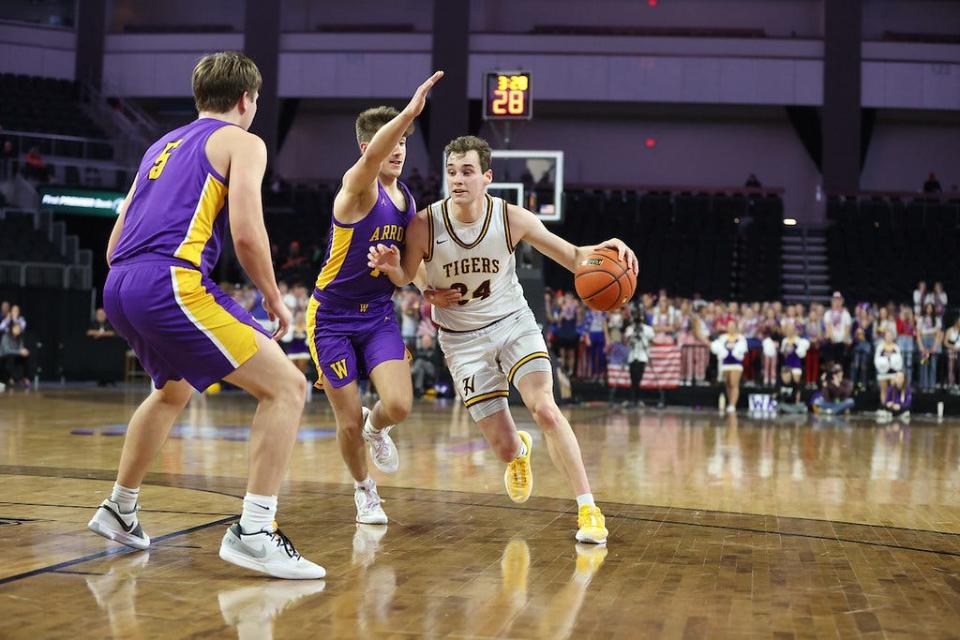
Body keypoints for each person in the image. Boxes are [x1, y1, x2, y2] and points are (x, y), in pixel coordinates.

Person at [86, 52, 324, 580]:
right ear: (246, 99)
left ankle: (120, 510)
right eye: (256, 100)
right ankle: (256, 531)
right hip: (170, 280)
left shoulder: (158, 146)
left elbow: (112, 244)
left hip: (120, 284)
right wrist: (273, 296)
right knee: (288, 387)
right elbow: (245, 231)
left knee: (171, 390)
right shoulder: (244, 141)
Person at [368, 135, 639, 544]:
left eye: (468, 172)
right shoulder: (424, 223)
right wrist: (417, 285)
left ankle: (588, 509)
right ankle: (519, 452)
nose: (458, 180)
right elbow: (408, 274)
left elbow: (572, 255)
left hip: (513, 324)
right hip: (461, 341)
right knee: (505, 449)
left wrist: (606, 249)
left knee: (545, 407)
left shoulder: (511, 218)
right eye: (452, 172)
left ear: (487, 177)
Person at [305, 71, 444, 526]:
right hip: (331, 317)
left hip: (378, 316)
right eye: (393, 141)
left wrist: (429, 292)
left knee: (400, 406)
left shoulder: (405, 200)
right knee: (345, 421)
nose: (400, 149)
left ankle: (376, 425)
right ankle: (364, 491)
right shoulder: (356, 189)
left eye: (407, 141)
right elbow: (373, 159)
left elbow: (411, 266)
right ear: (368, 149)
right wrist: (409, 111)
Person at [710, 319, 747, 413]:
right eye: (729, 326)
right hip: (725, 364)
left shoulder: (741, 338)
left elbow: (743, 350)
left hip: (736, 364)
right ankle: (730, 401)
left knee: (734, 384)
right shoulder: (723, 337)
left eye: (733, 326)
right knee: (728, 384)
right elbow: (717, 348)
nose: (731, 328)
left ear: (736, 327)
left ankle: (733, 404)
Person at [625, 317, 655, 406]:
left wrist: (646, 344)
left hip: (642, 355)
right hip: (632, 355)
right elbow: (627, 341)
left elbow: (652, 341)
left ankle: (637, 399)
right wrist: (632, 337)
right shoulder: (630, 329)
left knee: (639, 377)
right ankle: (633, 399)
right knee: (633, 378)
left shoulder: (648, 329)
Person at [916, 302, 943, 393]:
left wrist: (935, 346)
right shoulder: (921, 319)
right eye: (927, 308)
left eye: (931, 308)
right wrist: (921, 346)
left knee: (933, 365)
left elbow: (939, 334)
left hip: (933, 340)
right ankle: (924, 386)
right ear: (925, 309)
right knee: (924, 364)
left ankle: (932, 386)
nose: (929, 310)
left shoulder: (937, 319)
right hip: (924, 340)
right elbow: (918, 334)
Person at [874, 330, 903, 404]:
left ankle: (892, 405)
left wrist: (896, 368)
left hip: (893, 372)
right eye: (887, 336)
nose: (889, 337)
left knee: (893, 389)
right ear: (884, 337)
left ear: (893, 337)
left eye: (890, 336)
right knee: (883, 390)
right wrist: (882, 367)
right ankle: (883, 406)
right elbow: (876, 359)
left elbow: (900, 360)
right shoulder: (880, 347)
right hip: (883, 372)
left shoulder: (896, 347)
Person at [0, 322, 31, 388]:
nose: (18, 330)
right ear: (12, 329)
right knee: (10, 358)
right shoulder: (6, 337)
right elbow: (6, 350)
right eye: (16, 328)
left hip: (14, 356)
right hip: (4, 357)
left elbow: (21, 348)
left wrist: (24, 352)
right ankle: (12, 379)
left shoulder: (19, 338)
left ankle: (24, 378)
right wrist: (19, 352)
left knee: (25, 357)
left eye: (19, 328)